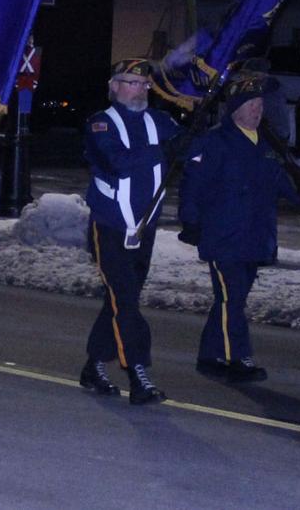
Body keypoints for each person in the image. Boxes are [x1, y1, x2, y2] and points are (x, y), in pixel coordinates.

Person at [178, 72, 300, 382]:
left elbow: (279, 179)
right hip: (223, 235)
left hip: (254, 236)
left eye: (260, 105)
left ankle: (210, 355)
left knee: (231, 300)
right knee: (231, 298)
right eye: (251, 105)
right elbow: (193, 185)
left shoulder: (266, 142)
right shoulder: (214, 141)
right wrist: (190, 222)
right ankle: (236, 358)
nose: (257, 110)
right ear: (234, 110)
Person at [79, 58, 183, 405]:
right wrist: (161, 150)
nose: (139, 89)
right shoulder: (100, 124)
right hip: (109, 226)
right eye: (130, 82)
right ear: (113, 86)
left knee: (121, 300)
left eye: (143, 85)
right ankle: (138, 372)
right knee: (125, 299)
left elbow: (190, 150)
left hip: (146, 227)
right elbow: (117, 163)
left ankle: (94, 364)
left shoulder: (160, 120)